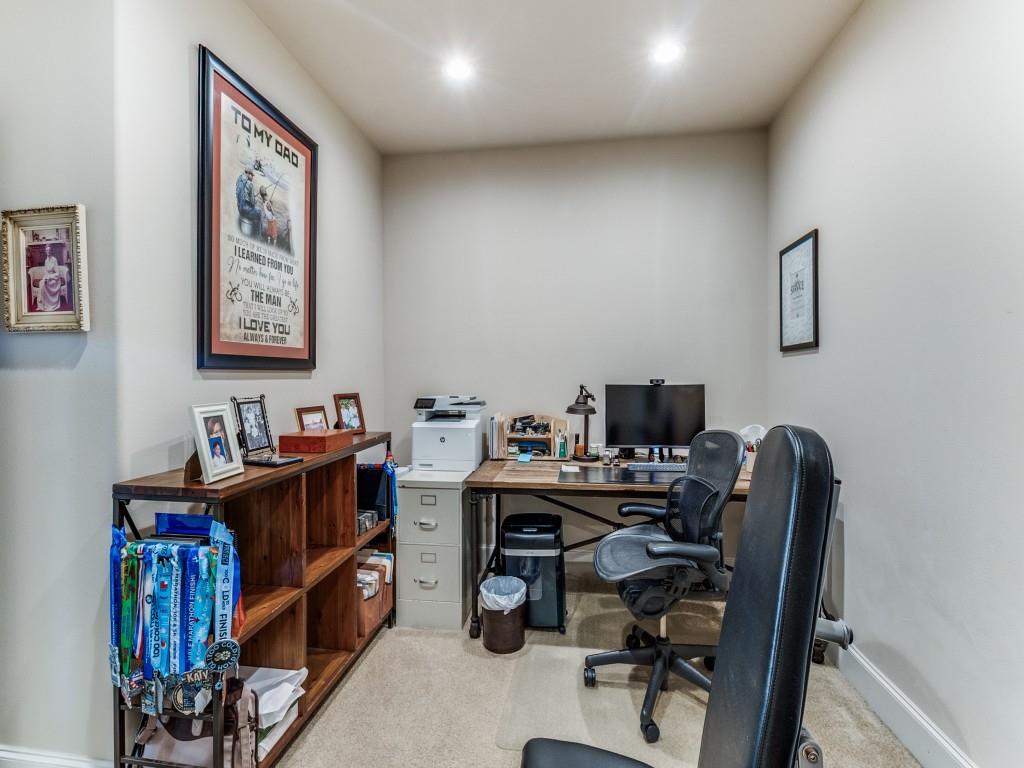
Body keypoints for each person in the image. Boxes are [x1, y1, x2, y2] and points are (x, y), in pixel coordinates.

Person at [37, 245, 64, 312]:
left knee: (46, 284)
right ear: (45, 251)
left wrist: (49, 277)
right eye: (47, 250)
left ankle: (50, 304)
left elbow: (57, 273)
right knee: (41, 283)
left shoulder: (54, 259)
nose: (48, 252)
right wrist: (45, 278)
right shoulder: (46, 260)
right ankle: (42, 305)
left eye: (49, 250)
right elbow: (46, 272)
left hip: (55, 279)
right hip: (48, 278)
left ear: (51, 251)